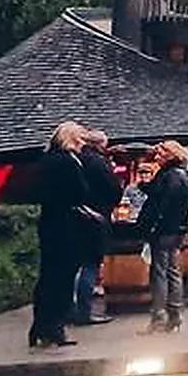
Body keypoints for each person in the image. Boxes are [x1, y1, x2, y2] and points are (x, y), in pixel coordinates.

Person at [29, 121, 93, 348]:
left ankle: (40, 326)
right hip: (65, 225)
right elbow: (80, 191)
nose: (83, 143)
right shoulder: (67, 162)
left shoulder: (47, 160)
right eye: (80, 138)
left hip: (50, 223)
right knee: (63, 277)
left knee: (48, 276)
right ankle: (55, 326)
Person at [136, 139, 188, 334]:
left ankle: (159, 316)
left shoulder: (169, 175)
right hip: (176, 229)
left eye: (160, 154)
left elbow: (162, 204)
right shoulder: (181, 174)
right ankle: (175, 315)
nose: (157, 157)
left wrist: (152, 227)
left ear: (169, 154)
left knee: (159, 273)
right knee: (173, 271)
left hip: (163, 230)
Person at [72, 129, 121, 326]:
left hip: (77, 216)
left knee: (75, 266)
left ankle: (70, 308)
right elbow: (112, 189)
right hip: (96, 216)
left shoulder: (77, 159)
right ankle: (85, 312)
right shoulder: (98, 163)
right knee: (90, 264)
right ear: (101, 144)